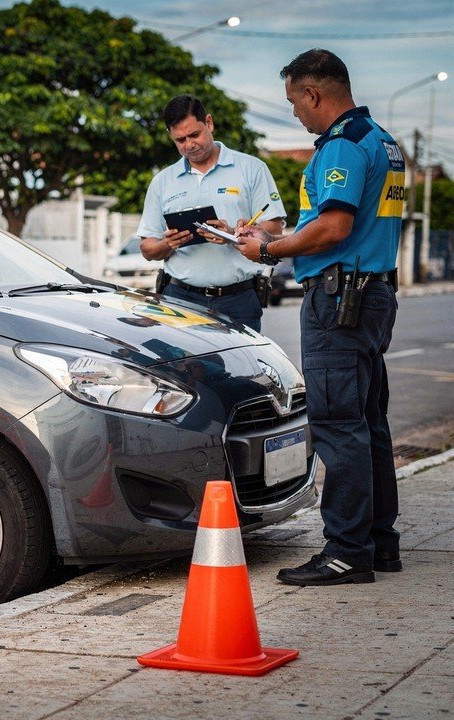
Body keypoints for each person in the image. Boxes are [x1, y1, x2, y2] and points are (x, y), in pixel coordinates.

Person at [236, 49, 404, 586]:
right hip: (370, 293)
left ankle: (347, 551)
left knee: (337, 425)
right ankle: (378, 543)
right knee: (368, 423)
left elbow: (333, 227)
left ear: (313, 94)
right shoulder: (383, 141)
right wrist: (273, 237)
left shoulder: (343, 145)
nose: (294, 113)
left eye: (294, 102)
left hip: (339, 300)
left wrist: (268, 250)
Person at [137, 94, 286, 331]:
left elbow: (273, 229)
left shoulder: (252, 168)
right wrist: (168, 244)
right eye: (180, 140)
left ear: (209, 123)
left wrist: (232, 234)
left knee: (241, 357)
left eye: (194, 135)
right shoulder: (162, 181)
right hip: (179, 300)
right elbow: (147, 248)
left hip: (238, 300)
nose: (189, 145)